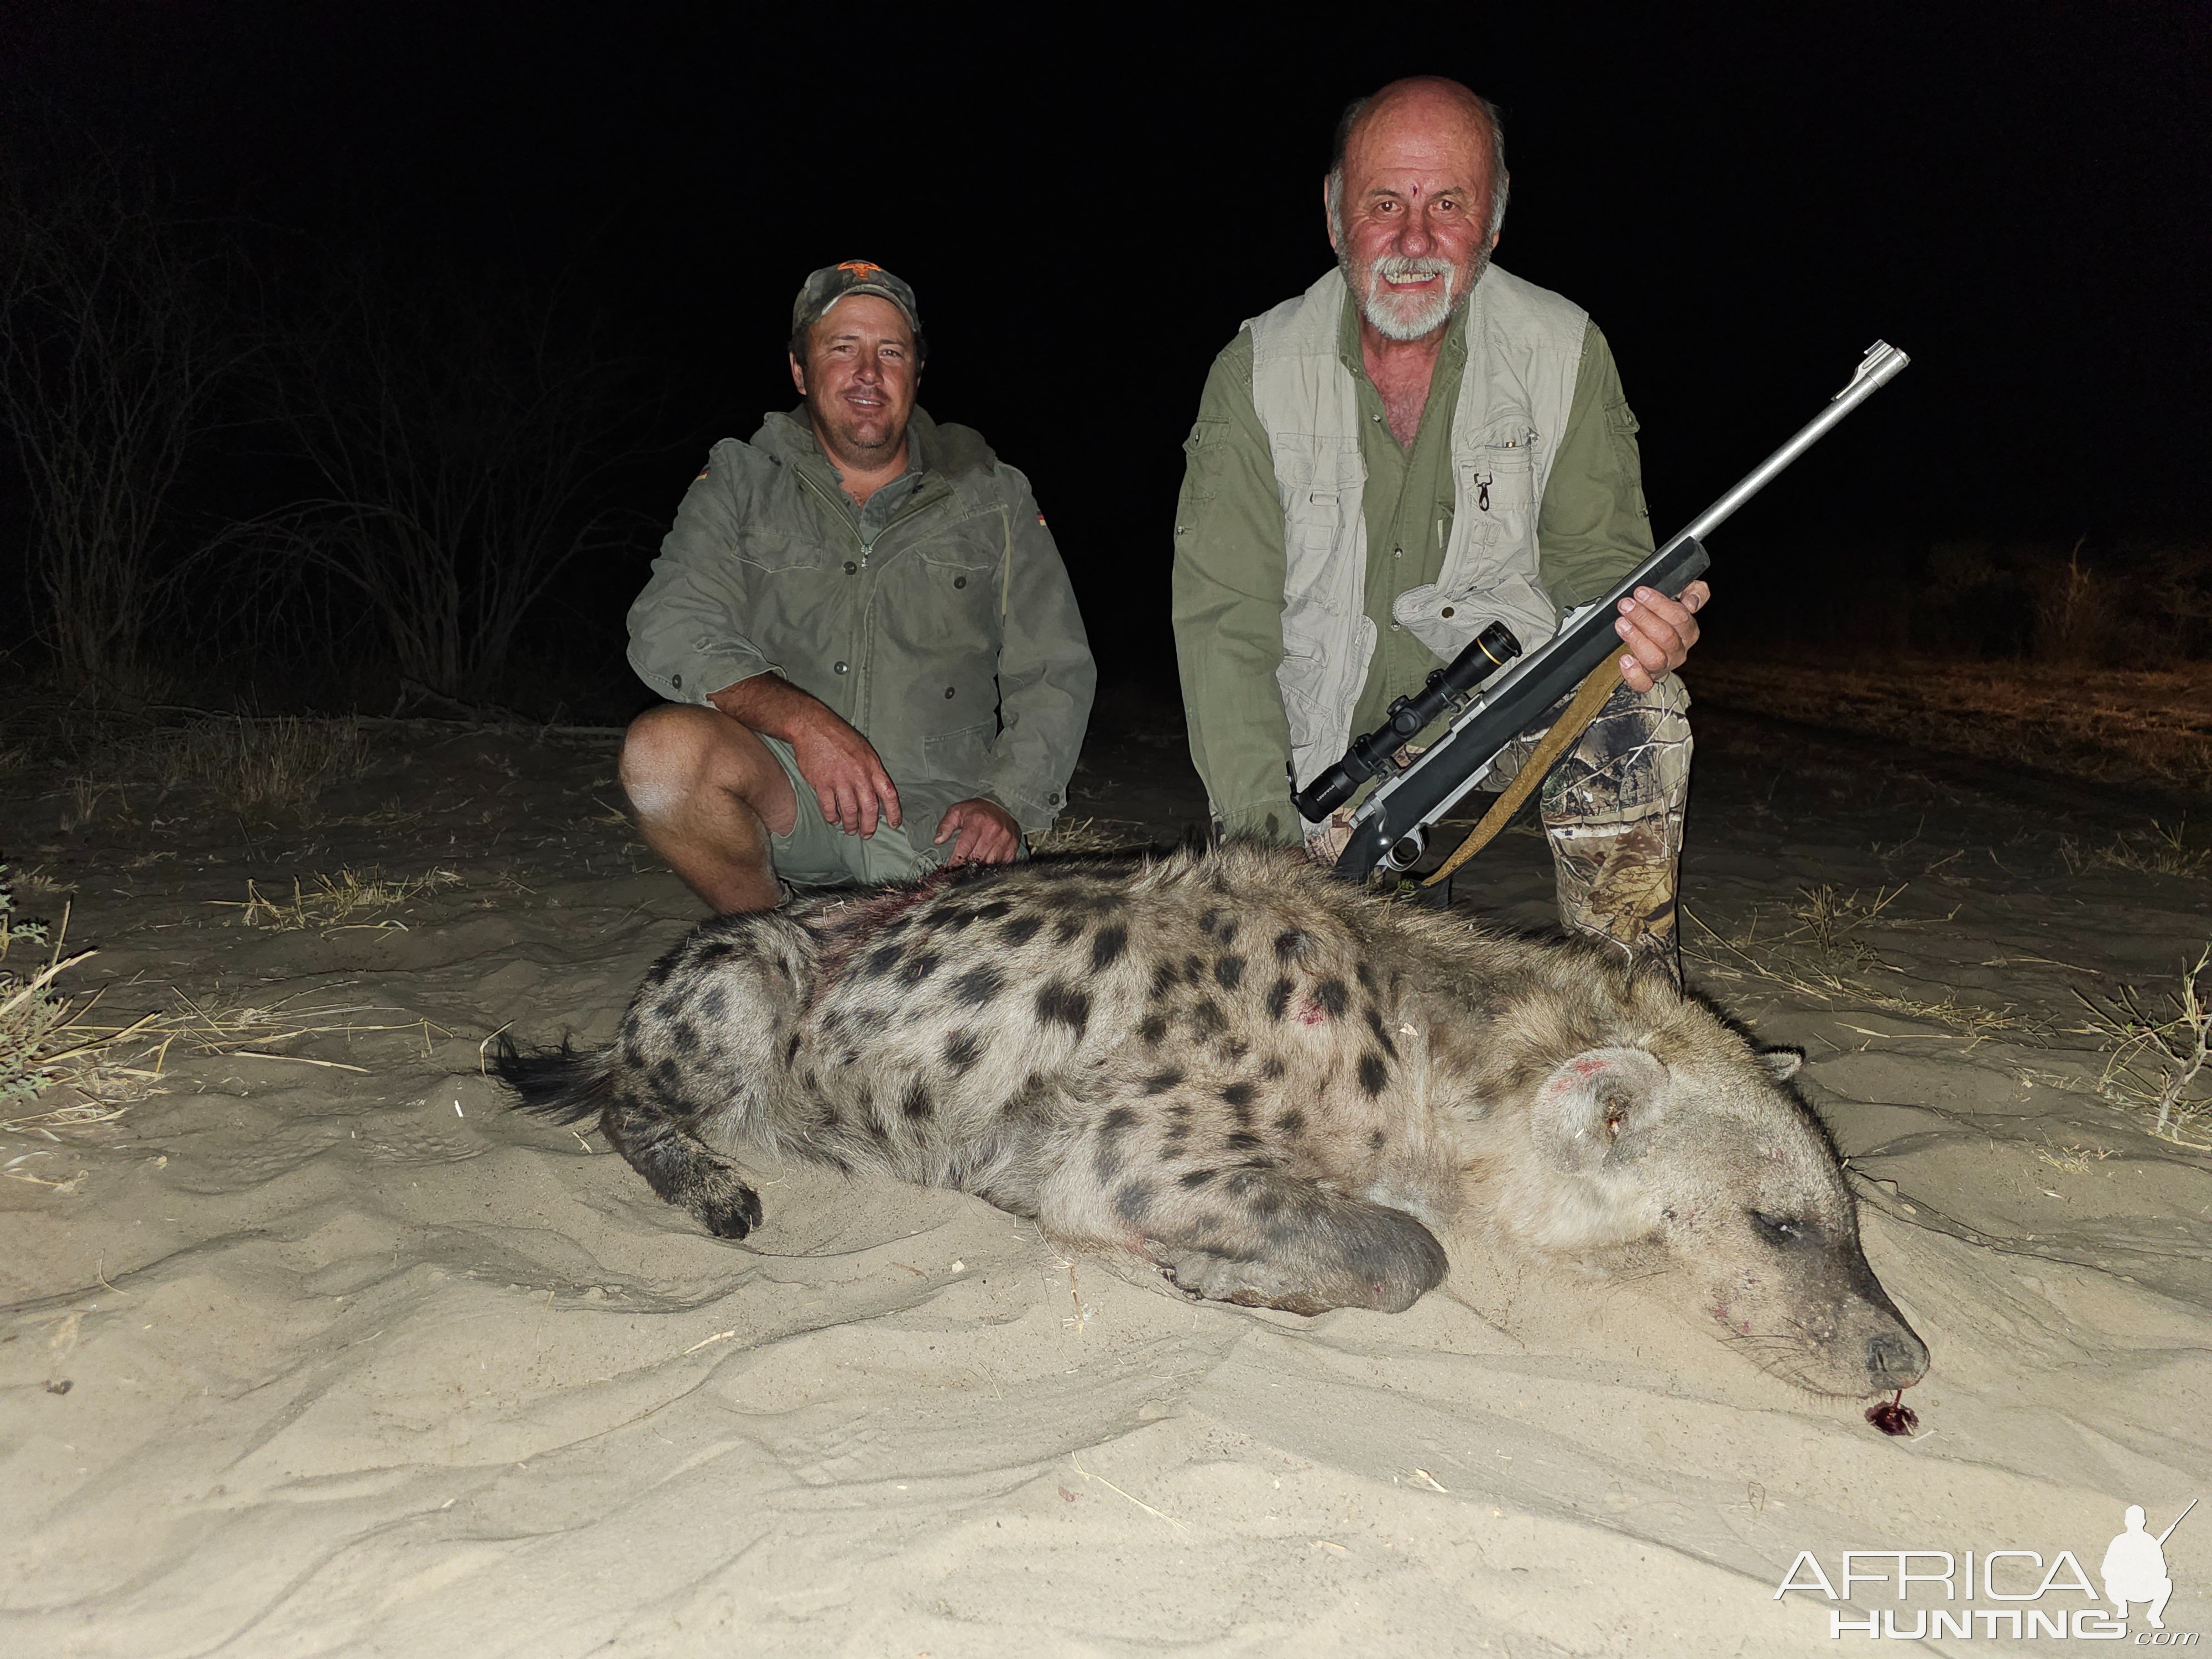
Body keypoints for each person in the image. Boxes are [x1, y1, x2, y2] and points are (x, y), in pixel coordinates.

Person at [1171, 77, 1710, 974]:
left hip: (1493, 724)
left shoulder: (1566, 347)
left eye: (1447, 204)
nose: (1414, 239)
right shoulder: (1254, 370)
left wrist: (1646, 632)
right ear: (1337, 219)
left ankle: (1632, 1005)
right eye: (1385, 202)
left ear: (1491, 227)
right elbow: (1225, 630)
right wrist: (1265, 859)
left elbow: (1599, 572)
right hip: (1315, 758)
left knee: (1634, 696)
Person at [622, 261, 1095, 911]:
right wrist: (805, 726)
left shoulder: (993, 495)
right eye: (842, 349)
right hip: (793, 801)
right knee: (663, 754)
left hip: (942, 822)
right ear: (800, 370)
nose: (868, 373)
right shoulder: (740, 478)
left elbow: (1054, 670)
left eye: (890, 352)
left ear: (916, 375)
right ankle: (768, 939)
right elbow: (668, 626)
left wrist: (1007, 802)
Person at [2101, 1505, 2175, 1629]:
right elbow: (2106, 1569)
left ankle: (2154, 1615)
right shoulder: (2118, 1541)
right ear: (2126, 1522)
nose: (2134, 1524)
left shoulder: (2151, 1542)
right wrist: (2123, 1572)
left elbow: (2162, 1570)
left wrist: (2146, 1571)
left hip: (2144, 1588)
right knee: (2110, 1583)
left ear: (2143, 1522)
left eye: (2138, 1521)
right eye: (2131, 1521)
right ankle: (2122, 1605)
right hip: (2123, 1589)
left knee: (2166, 1584)